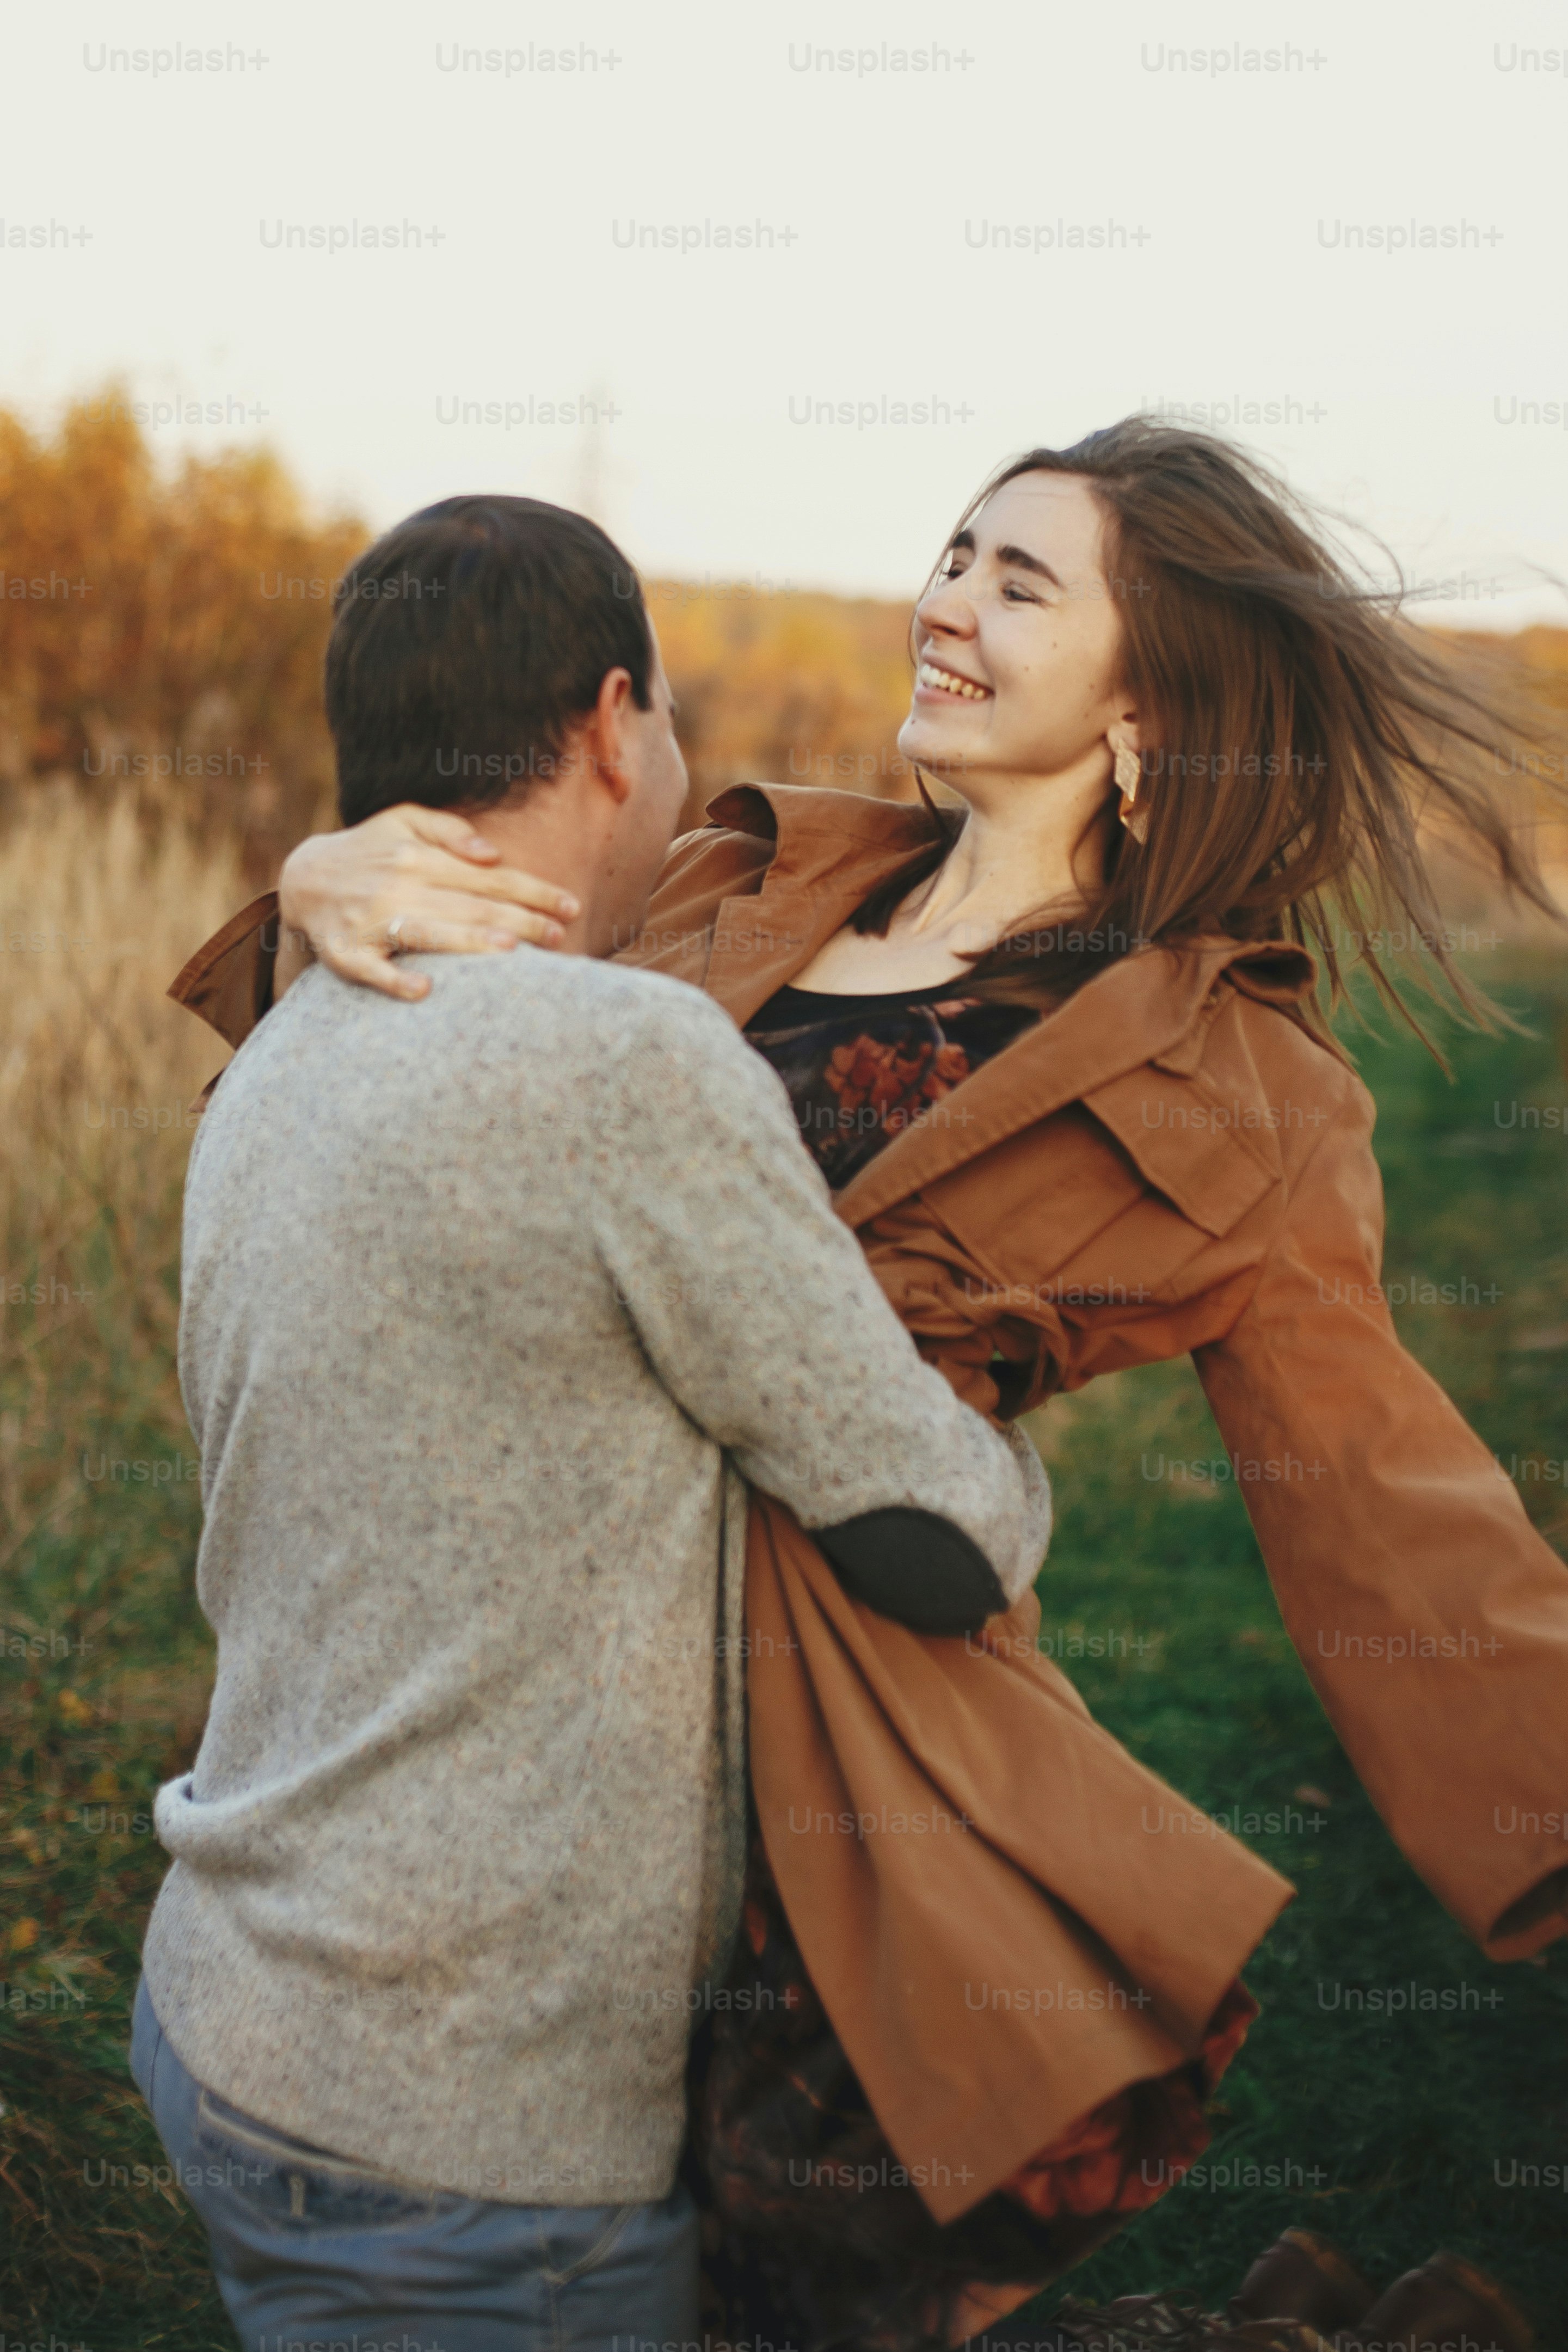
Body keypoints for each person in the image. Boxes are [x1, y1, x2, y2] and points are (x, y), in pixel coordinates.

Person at [170, 425, 1568, 2350]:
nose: (946, 604)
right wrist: (330, 875)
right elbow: (414, 1095)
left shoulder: (1232, 1077)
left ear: (1147, 692)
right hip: (526, 1720)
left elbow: (1381, 1494)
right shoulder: (739, 874)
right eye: (949, 554)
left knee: (780, 2294)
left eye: (1021, 581)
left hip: (845, 1743)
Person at [132, 494, 1057, 2352]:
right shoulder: (622, 1058)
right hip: (465, 2137)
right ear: (615, 719)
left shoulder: (286, 1040)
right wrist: (1002, 1415)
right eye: (673, 744)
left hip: (229, 2003)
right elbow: (930, 1537)